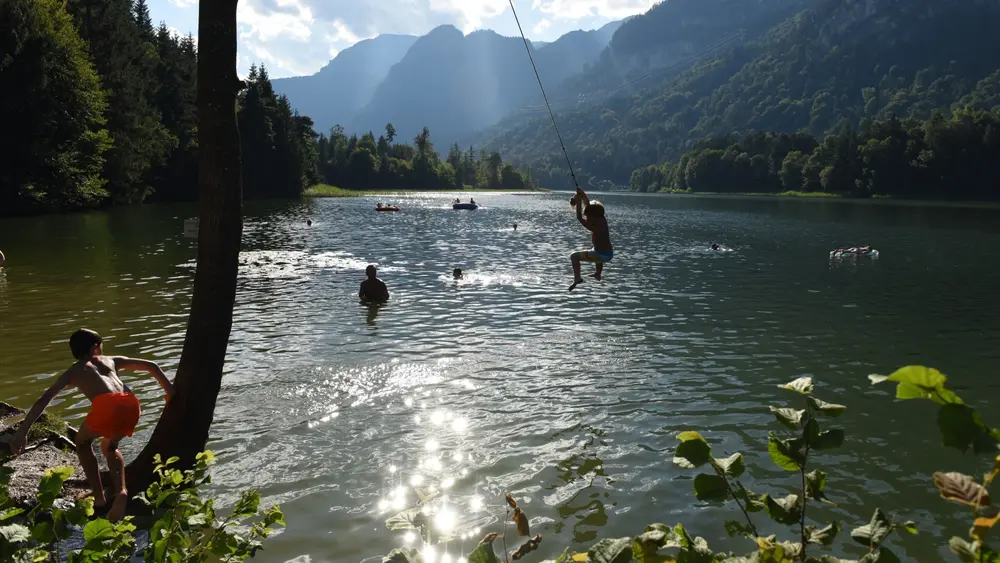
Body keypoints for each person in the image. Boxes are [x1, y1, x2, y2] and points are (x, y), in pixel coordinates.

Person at [10, 329, 174, 522]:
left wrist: (23, 431)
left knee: (82, 442)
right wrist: (169, 392)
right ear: (96, 347)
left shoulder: (74, 371)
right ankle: (121, 490)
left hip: (108, 406)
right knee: (109, 445)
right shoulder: (111, 360)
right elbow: (152, 366)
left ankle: (99, 499)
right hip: (131, 403)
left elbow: (44, 399)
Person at [568, 186, 613, 291]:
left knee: (574, 257)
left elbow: (579, 217)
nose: (587, 217)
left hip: (600, 255)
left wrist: (578, 202)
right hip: (608, 254)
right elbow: (589, 207)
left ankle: (577, 278)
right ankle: (598, 273)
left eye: (588, 216)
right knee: (595, 250)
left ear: (592, 216)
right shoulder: (602, 219)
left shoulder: (594, 227)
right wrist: (583, 196)